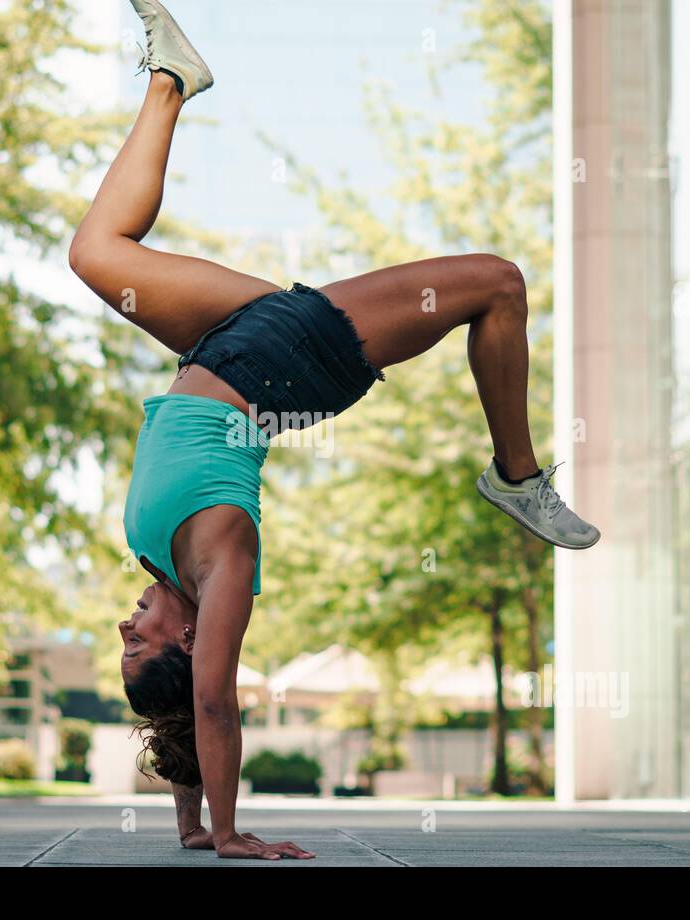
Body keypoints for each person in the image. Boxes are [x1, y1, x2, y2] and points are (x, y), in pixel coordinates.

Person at [68, 0, 600, 861]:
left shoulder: (159, 559)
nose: (125, 632)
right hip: (285, 360)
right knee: (498, 285)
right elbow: (210, 702)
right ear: (193, 641)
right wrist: (234, 833)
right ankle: (516, 476)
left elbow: (182, 719)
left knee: (96, 252)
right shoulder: (220, 565)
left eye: (121, 645)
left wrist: (194, 823)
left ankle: (171, 77)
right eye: (141, 648)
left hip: (225, 343)